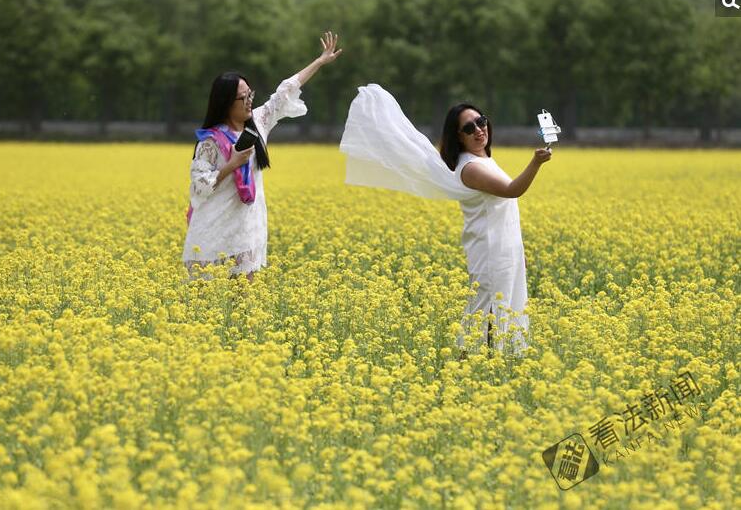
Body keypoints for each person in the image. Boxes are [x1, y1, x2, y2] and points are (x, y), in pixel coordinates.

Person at [339, 85, 551, 356]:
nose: (478, 130)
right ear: (458, 138)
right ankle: (468, 367)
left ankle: (492, 367)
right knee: (486, 313)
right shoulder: (471, 167)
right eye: (469, 128)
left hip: (503, 248)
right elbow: (512, 190)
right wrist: (535, 163)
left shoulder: (483, 159)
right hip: (490, 250)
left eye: (481, 122)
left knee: (499, 311)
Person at [182, 32, 342, 281]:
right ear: (225, 102)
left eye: (250, 95)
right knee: (201, 301)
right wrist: (232, 164)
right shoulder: (210, 142)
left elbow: (285, 91)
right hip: (212, 228)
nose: (248, 101)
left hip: (246, 226)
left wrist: (320, 61)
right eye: (242, 97)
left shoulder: (258, 122)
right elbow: (198, 186)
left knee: (244, 300)